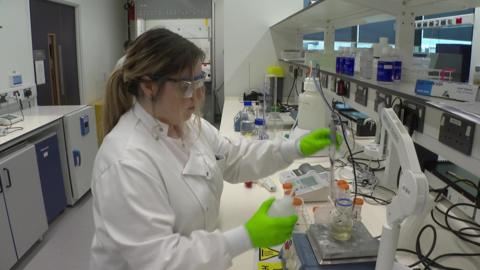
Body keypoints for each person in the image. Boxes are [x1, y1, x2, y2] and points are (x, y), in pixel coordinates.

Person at [90, 28, 341, 270]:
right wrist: (245, 237)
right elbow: (159, 260)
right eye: (186, 86)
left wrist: (293, 149)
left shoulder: (187, 125)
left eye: (199, 83)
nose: (198, 97)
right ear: (148, 86)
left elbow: (235, 157)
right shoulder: (124, 162)